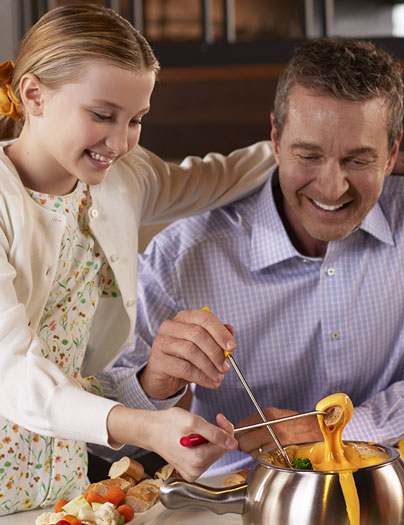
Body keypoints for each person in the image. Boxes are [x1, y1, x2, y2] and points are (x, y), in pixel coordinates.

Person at [97, 37, 404, 476]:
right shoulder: (182, 253)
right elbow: (104, 437)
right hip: (240, 501)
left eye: (359, 160)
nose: (332, 187)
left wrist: (327, 432)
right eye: (308, 155)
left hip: (399, 489)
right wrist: (154, 385)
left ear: (392, 154)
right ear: (275, 137)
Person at [0, 4, 291, 514]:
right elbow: (11, 373)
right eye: (102, 115)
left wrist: (328, 153)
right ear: (33, 94)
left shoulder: (120, 179)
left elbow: (214, 177)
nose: (121, 141)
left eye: (136, 119)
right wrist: (148, 426)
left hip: (62, 496)